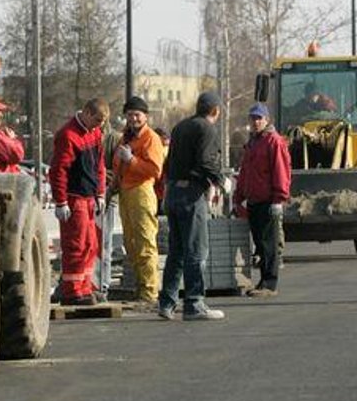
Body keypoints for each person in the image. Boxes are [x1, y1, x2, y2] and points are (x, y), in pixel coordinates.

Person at [158, 91, 226, 321]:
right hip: (191, 195)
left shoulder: (179, 127)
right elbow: (207, 161)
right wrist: (219, 180)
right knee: (196, 250)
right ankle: (194, 303)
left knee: (176, 252)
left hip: (174, 192)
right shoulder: (206, 129)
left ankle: (167, 303)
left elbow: (170, 162)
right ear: (215, 111)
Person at [50, 98, 110, 305]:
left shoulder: (94, 133)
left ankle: (84, 286)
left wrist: (100, 193)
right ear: (86, 112)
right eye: (97, 120)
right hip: (74, 198)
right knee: (76, 244)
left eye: (102, 122)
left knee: (90, 244)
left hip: (88, 198)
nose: (99, 125)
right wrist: (61, 202)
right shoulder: (68, 135)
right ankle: (72, 290)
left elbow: (99, 165)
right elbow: (59, 170)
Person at [233, 103, 291, 298]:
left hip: (268, 200)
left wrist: (278, 199)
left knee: (269, 244)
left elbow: (281, 171)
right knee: (260, 242)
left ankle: (270, 283)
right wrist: (238, 196)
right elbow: (245, 172)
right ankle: (263, 281)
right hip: (254, 200)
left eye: (259, 118)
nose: (256, 122)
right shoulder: (253, 143)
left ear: (267, 120)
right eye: (253, 118)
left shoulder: (274, 142)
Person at [113, 96, 165, 304]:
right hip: (126, 192)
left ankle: (150, 292)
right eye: (129, 115)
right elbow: (118, 167)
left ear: (146, 117)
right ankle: (140, 286)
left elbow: (155, 170)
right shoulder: (125, 138)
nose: (133, 118)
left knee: (145, 242)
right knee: (131, 243)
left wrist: (132, 160)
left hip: (142, 191)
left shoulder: (151, 138)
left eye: (137, 115)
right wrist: (112, 188)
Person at [94, 116, 126, 303]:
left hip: (106, 197)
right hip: (89, 197)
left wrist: (105, 186)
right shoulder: (87, 136)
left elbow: (118, 171)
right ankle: (91, 284)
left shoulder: (113, 139)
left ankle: (103, 285)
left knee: (103, 245)